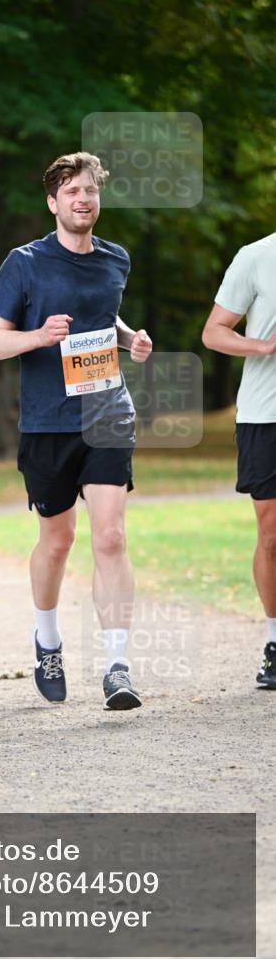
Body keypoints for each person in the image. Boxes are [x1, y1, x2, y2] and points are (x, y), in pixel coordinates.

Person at [0, 151, 152, 711]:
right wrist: (38, 337)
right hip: (47, 422)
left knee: (111, 537)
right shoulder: (24, 263)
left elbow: (105, 320)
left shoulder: (116, 259)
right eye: (72, 192)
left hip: (107, 413)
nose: (83, 200)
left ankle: (117, 666)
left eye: (91, 191)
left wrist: (130, 340)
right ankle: (48, 639)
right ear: (52, 202)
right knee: (57, 541)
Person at [202, 233, 276, 689]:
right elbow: (214, 332)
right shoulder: (255, 256)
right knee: (271, 535)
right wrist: (265, 347)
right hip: (265, 414)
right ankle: (274, 641)